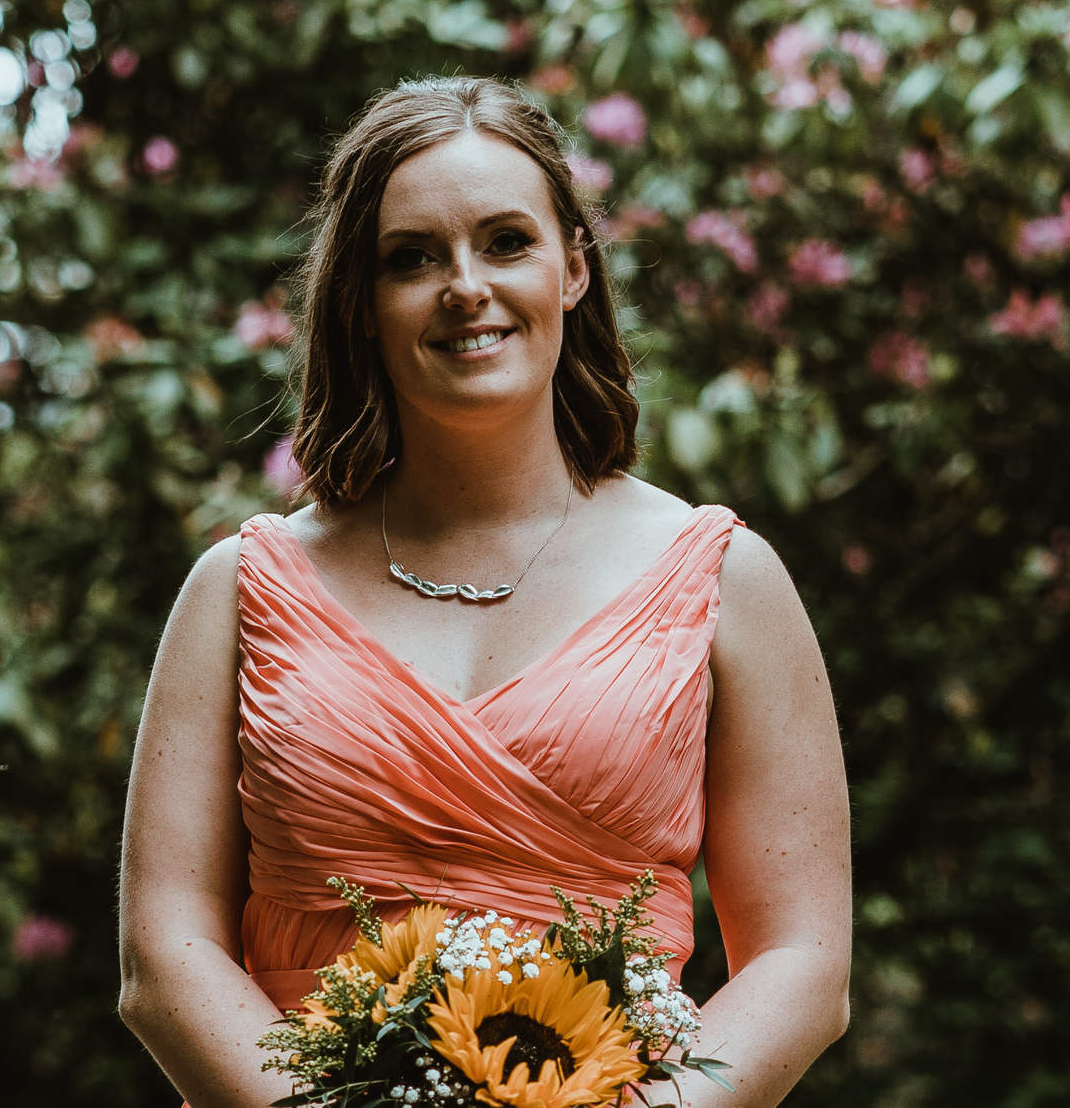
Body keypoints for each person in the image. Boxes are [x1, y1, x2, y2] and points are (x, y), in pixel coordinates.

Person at [117, 76, 852, 1108]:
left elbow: (801, 959)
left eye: (506, 241)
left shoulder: (724, 579)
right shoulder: (237, 591)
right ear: (360, 303)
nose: (464, 286)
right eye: (411, 257)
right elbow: (164, 954)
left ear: (573, 268)